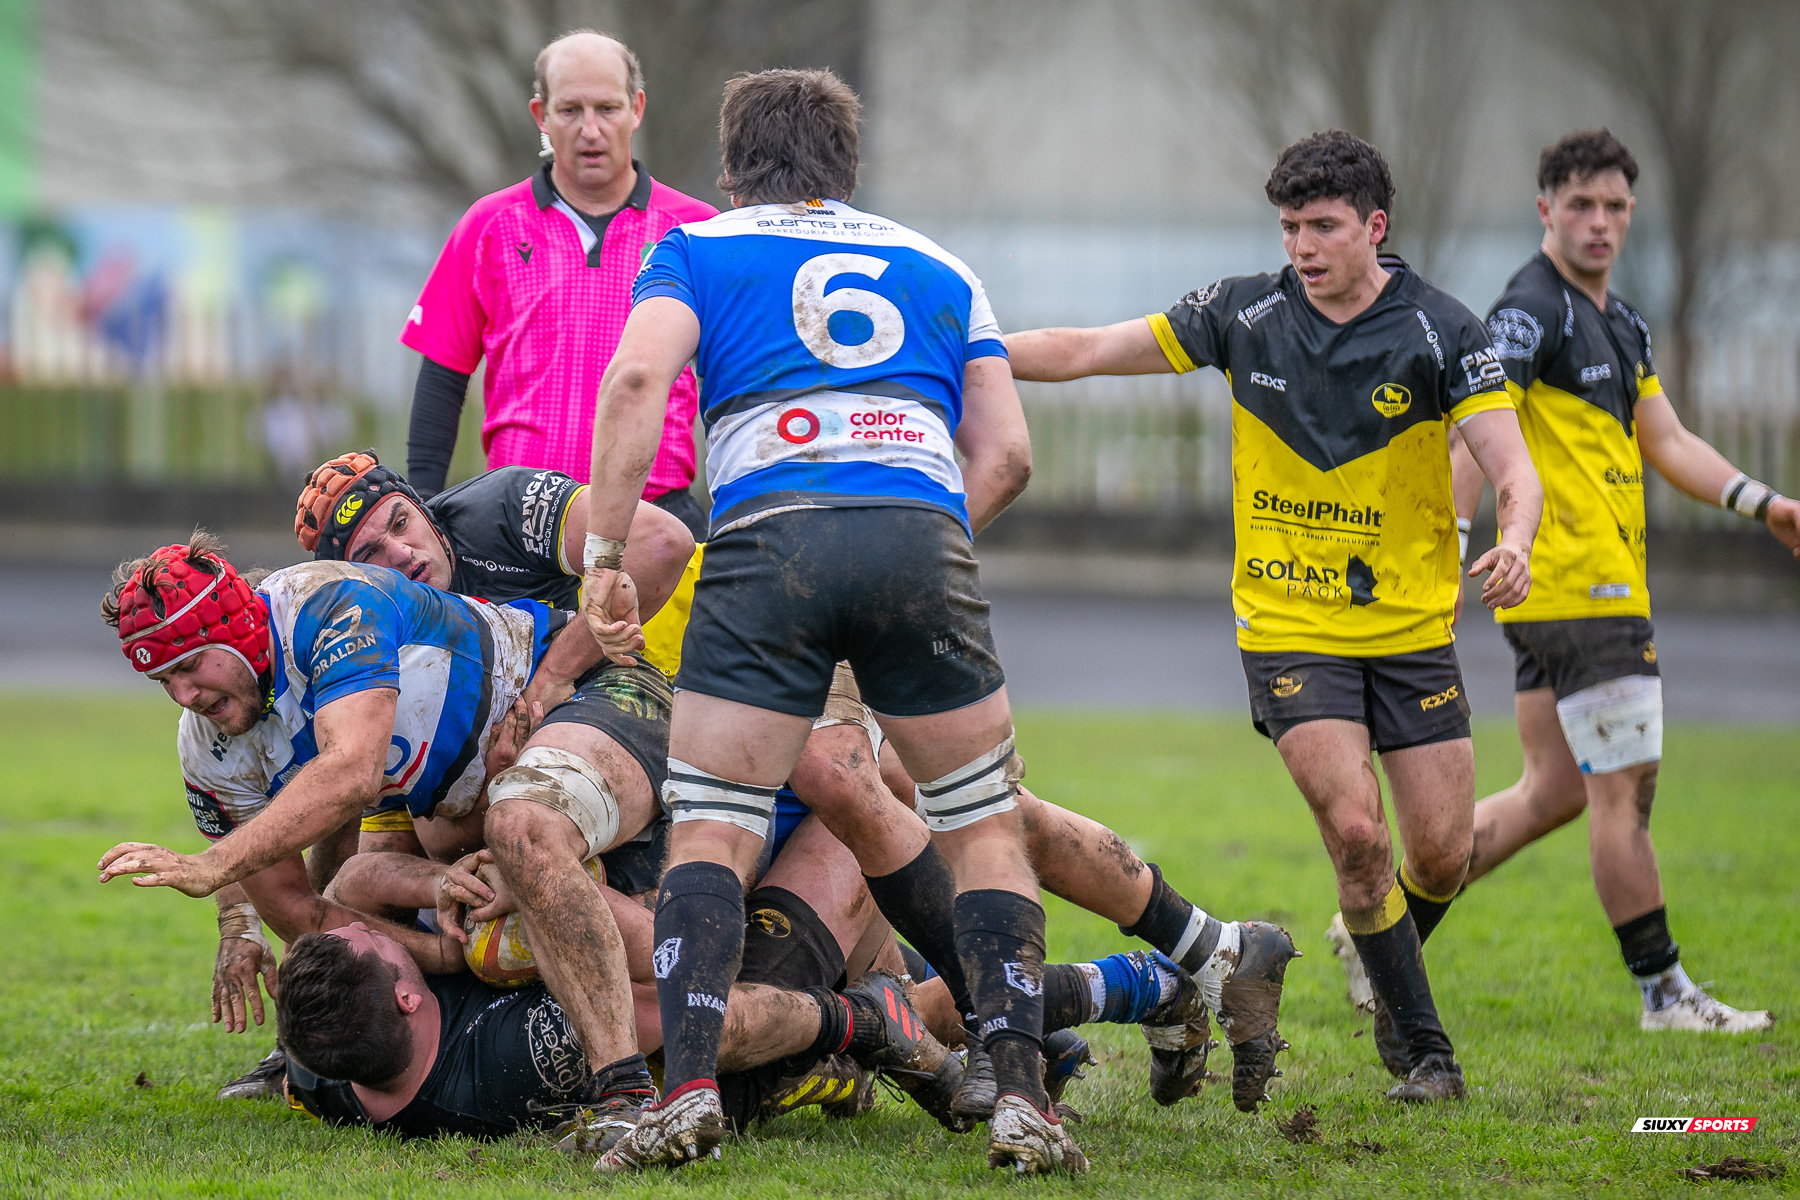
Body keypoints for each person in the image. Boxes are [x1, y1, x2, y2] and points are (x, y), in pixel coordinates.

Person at [577, 68, 1082, 1175]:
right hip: (918, 535)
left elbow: (632, 385)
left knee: (712, 820)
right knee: (984, 824)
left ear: (729, 166)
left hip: (770, 543)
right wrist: (922, 540)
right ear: (848, 168)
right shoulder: (941, 264)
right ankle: (1027, 1103)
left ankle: (691, 1089)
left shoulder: (699, 249)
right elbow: (1008, 455)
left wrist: (607, 553)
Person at [1005, 131, 1544, 1104]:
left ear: (1375, 228)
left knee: (1441, 854)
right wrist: (965, 354)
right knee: (1358, 836)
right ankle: (1428, 1055)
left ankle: (1377, 955)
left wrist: (1518, 540)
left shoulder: (1444, 333)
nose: (1302, 245)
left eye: (1324, 227)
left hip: (1413, 632)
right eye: (1290, 226)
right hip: (1288, 625)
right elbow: (1090, 349)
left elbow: (1514, 467)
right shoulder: (1242, 312)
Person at [1423, 130, 1788, 1032]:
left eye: (1615, 206)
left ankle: (1381, 932)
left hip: (1578, 592)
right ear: (1544, 208)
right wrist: (1441, 548)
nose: (1599, 223)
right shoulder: (1529, 310)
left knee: (1552, 791)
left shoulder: (1621, 322)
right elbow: (1479, 420)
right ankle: (1665, 991)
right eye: (1579, 204)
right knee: (1625, 791)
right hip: (1582, 592)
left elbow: (1664, 439)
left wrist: (1761, 500)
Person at [400, 29, 717, 538]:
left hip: (657, 519)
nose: (590, 129)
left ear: (636, 108)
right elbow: (441, 378)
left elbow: (736, 379)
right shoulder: (489, 224)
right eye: (570, 110)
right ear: (540, 116)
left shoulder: (699, 230)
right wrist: (422, 511)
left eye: (607, 109)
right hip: (519, 522)